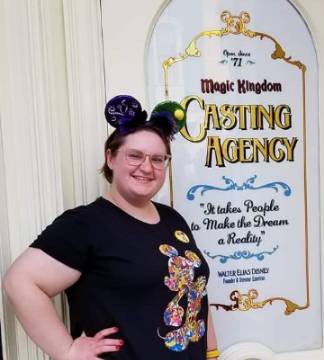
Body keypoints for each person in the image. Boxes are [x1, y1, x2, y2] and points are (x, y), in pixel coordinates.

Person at [3, 95, 220, 359]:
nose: (146, 167)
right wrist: (66, 350)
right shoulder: (85, 224)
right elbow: (20, 281)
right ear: (111, 157)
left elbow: (197, 291)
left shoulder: (173, 219)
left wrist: (212, 353)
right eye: (135, 156)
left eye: (157, 159)